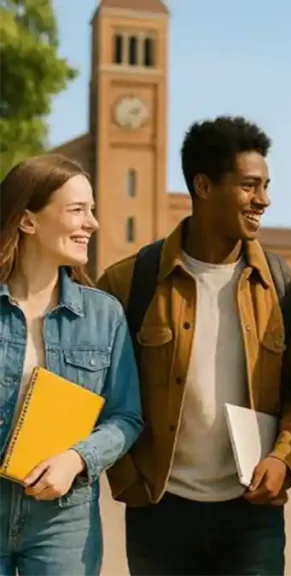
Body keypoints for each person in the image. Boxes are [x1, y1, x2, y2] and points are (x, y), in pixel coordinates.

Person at [96, 116, 291, 575]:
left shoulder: (285, 287)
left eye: (266, 186)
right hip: (159, 509)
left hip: (251, 514)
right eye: (249, 186)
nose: (264, 200)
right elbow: (97, 392)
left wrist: (283, 456)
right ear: (203, 185)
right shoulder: (128, 283)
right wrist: (126, 478)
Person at [0, 154, 143, 575]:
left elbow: (127, 416)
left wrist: (77, 458)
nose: (92, 224)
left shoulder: (105, 316)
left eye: (92, 210)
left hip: (64, 519)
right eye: (77, 210)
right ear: (28, 220)